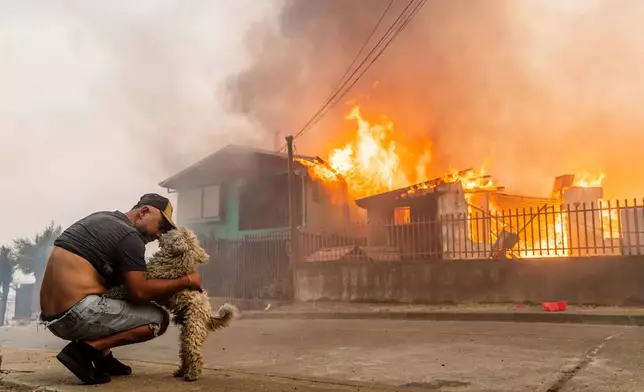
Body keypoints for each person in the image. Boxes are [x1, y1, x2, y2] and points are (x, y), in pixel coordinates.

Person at [38, 193, 203, 385]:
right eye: (161, 226)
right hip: (77, 313)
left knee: (114, 290)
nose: (160, 234)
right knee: (159, 319)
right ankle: (85, 351)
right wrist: (187, 280)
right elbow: (140, 291)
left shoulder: (102, 218)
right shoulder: (129, 236)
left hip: (53, 319)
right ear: (144, 212)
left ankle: (103, 358)